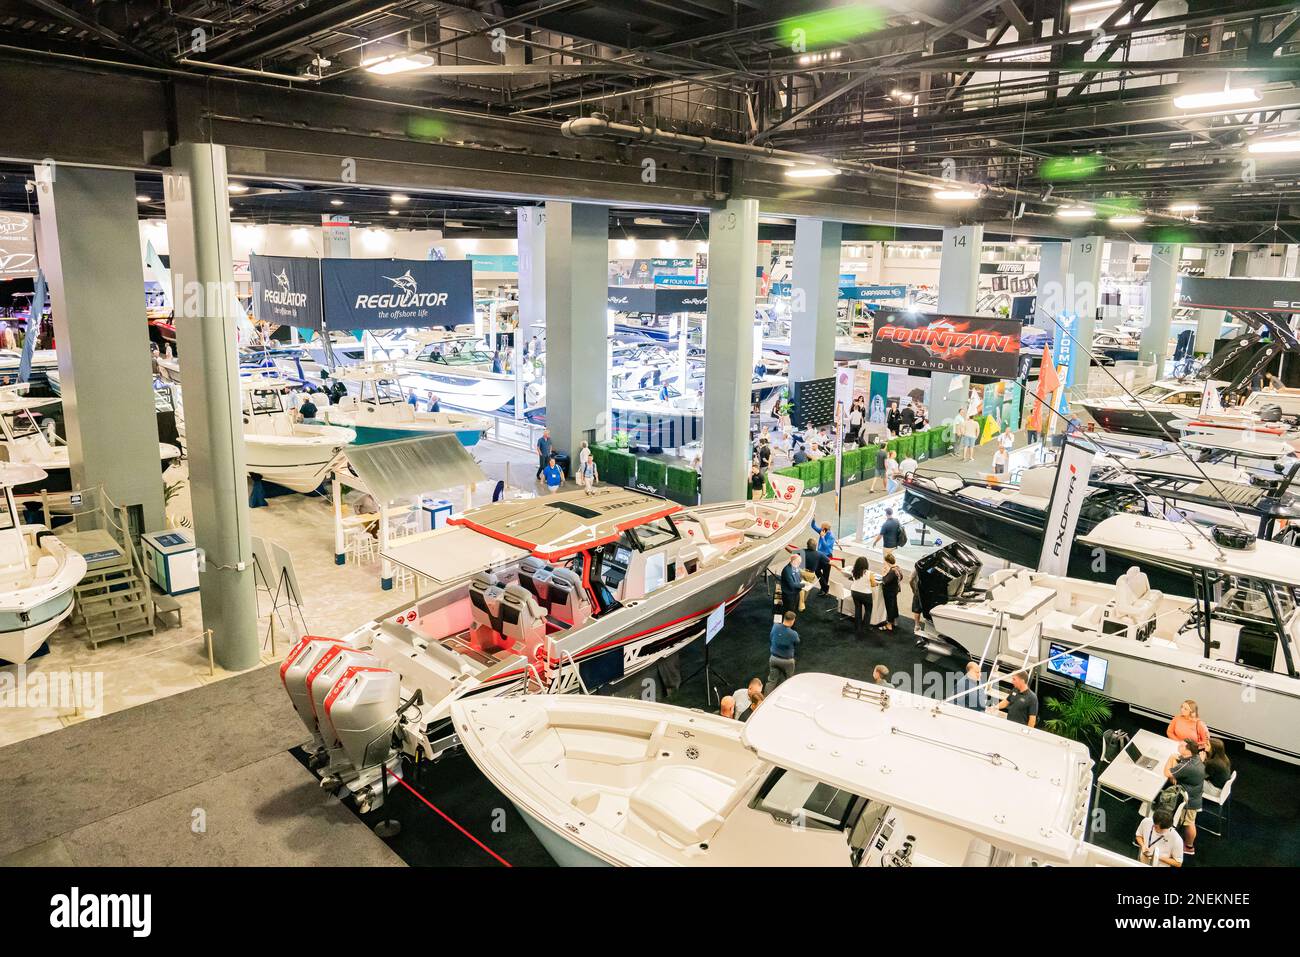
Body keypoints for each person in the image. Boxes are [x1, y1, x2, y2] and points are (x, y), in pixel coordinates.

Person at [1165, 738, 1206, 856]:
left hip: (1190, 801)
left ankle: (1189, 847)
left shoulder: (1188, 765)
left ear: (1188, 751)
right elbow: (1178, 767)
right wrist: (1175, 772)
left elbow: (1167, 772)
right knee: (1189, 822)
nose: (1179, 745)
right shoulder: (1195, 758)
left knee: (1189, 823)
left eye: (1182, 745)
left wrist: (1171, 758)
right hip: (1195, 794)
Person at [768, 611, 800, 691]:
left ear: (784, 618)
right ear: (792, 621)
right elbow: (797, 642)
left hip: (773, 659)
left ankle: (764, 700)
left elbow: (771, 637)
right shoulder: (793, 634)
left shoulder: (775, 626)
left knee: (771, 681)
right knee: (788, 681)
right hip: (787, 662)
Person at [849, 556, 874, 641]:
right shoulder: (869, 573)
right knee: (868, 611)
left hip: (854, 592)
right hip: (866, 594)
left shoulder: (853, 572)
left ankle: (857, 627)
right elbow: (873, 584)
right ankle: (866, 628)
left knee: (858, 609)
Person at [878, 553, 901, 631]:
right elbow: (901, 577)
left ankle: (889, 624)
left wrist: (884, 574)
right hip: (895, 590)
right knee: (894, 605)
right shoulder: (897, 568)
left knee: (889, 607)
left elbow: (885, 581)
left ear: (887, 562)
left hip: (889, 591)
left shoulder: (892, 571)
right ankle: (894, 621)